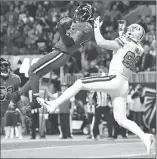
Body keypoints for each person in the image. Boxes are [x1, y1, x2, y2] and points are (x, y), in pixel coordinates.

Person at [37, 17, 155, 154]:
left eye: (131, 30)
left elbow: (101, 43)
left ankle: (54, 104)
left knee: (80, 82)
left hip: (114, 79)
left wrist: (96, 28)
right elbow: (119, 52)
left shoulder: (126, 42)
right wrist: (121, 34)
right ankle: (146, 138)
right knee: (121, 119)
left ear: (133, 34)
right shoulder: (139, 48)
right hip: (123, 84)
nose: (128, 31)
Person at [5, 4, 95, 111]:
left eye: (80, 13)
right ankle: (18, 94)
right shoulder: (78, 24)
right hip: (59, 52)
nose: (77, 15)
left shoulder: (86, 27)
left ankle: (35, 100)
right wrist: (60, 28)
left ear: (86, 16)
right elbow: (63, 39)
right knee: (36, 75)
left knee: (32, 71)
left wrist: (61, 30)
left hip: (61, 53)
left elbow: (69, 42)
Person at [0, 58, 29, 136]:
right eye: (1, 66)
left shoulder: (15, 78)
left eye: (4, 65)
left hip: (9, 107)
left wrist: (24, 113)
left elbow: (17, 97)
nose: (3, 68)